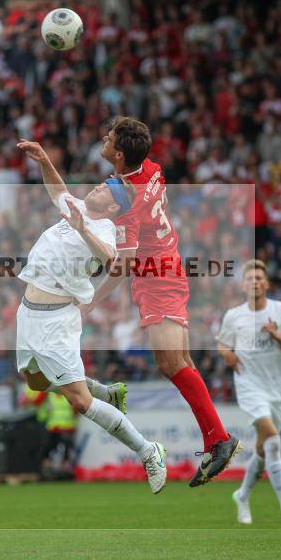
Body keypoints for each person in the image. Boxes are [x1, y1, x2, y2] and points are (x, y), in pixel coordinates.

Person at [81, 116, 240, 486]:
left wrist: (91, 301)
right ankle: (216, 438)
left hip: (158, 278)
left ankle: (219, 439)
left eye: (110, 138)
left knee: (170, 362)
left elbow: (122, 266)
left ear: (118, 154)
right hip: (167, 265)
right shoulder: (150, 168)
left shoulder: (127, 208)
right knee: (178, 361)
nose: (103, 137)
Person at [16, 139, 167, 493]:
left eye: (105, 187)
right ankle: (102, 390)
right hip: (29, 313)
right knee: (35, 382)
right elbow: (58, 190)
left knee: (79, 402)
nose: (98, 185)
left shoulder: (105, 230)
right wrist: (44, 160)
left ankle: (148, 451)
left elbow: (113, 261)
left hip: (57, 319)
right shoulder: (78, 207)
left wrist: (83, 228)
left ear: (114, 205)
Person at [218, 260, 281, 524]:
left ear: (266, 284)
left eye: (259, 278)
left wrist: (276, 336)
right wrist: (228, 356)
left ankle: (243, 495)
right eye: (250, 279)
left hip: (276, 388)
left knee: (264, 448)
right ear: (243, 285)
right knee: (274, 441)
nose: (254, 282)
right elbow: (222, 345)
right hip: (249, 387)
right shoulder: (234, 316)